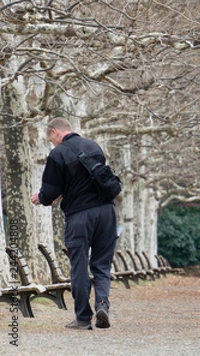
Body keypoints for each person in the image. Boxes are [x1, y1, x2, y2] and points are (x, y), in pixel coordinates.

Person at [30, 117, 118, 330]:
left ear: (54, 132)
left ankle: (83, 318)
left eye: (50, 138)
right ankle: (102, 304)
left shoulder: (57, 154)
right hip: (107, 212)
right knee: (102, 265)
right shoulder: (93, 146)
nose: (52, 142)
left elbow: (50, 191)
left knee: (79, 265)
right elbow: (90, 180)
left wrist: (41, 198)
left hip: (80, 216)